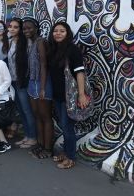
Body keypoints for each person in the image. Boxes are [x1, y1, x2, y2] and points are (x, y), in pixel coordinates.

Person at [47, 21, 89, 169]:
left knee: (67, 127)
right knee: (64, 125)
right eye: (55, 31)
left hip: (69, 96)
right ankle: (66, 152)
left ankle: (70, 157)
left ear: (67, 33)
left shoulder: (73, 50)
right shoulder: (53, 49)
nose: (58, 33)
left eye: (62, 31)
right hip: (58, 96)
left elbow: (79, 72)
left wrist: (82, 94)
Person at [23, 17, 54, 159]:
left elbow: (44, 65)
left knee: (45, 117)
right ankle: (40, 145)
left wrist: (42, 88)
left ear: (36, 28)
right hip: (32, 82)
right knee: (37, 115)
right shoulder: (31, 42)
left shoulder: (41, 42)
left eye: (29, 28)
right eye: (24, 28)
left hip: (42, 83)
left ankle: (48, 149)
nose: (26, 30)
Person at [8, 18, 37, 148]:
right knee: (20, 109)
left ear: (20, 29)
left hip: (22, 82)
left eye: (16, 27)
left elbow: (30, 64)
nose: (12, 29)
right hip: (13, 82)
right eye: (10, 26)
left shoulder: (27, 43)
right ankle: (27, 136)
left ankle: (33, 137)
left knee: (27, 110)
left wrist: (25, 80)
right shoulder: (9, 42)